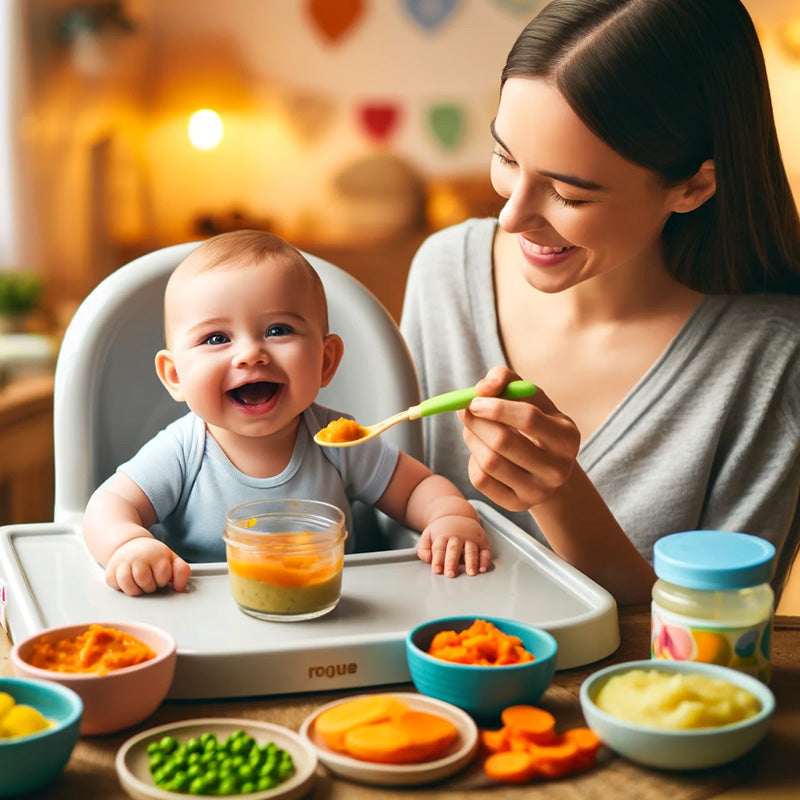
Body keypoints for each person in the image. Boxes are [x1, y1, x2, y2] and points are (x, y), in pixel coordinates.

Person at [400, 0, 800, 606]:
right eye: (506, 158)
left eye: (568, 194)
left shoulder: (773, 359)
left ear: (691, 187)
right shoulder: (444, 272)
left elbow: (716, 648)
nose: (511, 217)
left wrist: (561, 498)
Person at [82, 230, 491, 596]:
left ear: (326, 361)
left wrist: (449, 518)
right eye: (216, 338)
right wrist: (129, 545)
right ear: (175, 376)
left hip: (327, 609)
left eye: (278, 330)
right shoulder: (183, 451)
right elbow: (108, 507)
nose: (250, 354)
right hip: (206, 618)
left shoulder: (337, 440)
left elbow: (417, 489)